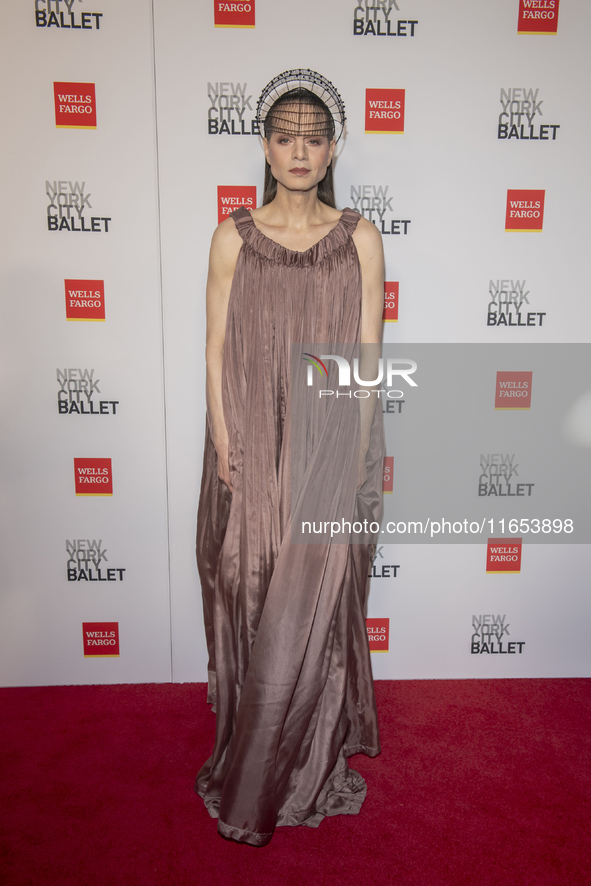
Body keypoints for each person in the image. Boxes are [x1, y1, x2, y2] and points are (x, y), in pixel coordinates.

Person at [195, 69, 385, 846]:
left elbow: (368, 355)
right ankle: (254, 748)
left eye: (313, 139)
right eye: (284, 138)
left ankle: (304, 761)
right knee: (253, 594)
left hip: (326, 444)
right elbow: (214, 349)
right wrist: (222, 437)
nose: (298, 152)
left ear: (332, 147)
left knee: (315, 603)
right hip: (252, 439)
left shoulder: (361, 238)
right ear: (266, 149)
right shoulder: (231, 236)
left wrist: (350, 455)